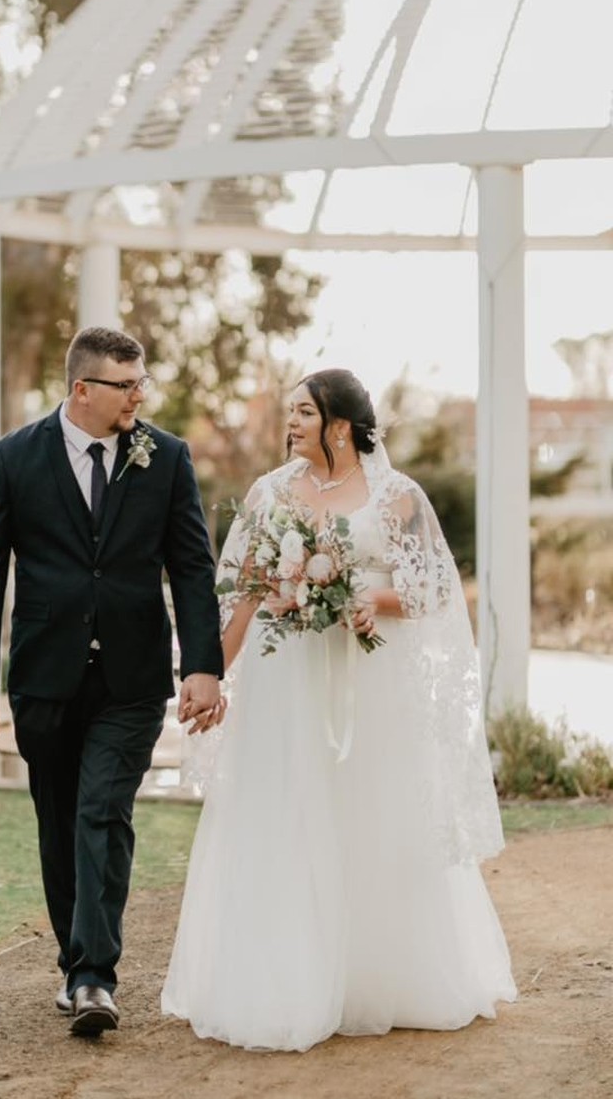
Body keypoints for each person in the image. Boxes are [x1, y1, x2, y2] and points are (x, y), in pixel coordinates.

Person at [162, 368, 517, 1052]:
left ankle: (378, 974)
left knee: (371, 813)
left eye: (302, 411)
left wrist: (364, 596)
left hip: (369, 683)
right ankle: (282, 977)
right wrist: (209, 674)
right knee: (283, 811)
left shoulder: (397, 496)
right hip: (282, 680)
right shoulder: (267, 495)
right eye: (289, 411)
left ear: (341, 426)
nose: (288, 422)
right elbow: (239, 596)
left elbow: (434, 591)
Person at [0, 327, 225, 1037]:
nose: (141, 395)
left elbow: (192, 563)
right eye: (126, 384)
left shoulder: (166, 457)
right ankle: (76, 961)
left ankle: (94, 976)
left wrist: (202, 662)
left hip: (134, 675)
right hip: (44, 676)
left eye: (142, 382)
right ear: (83, 390)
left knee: (103, 810)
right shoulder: (13, 458)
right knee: (60, 818)